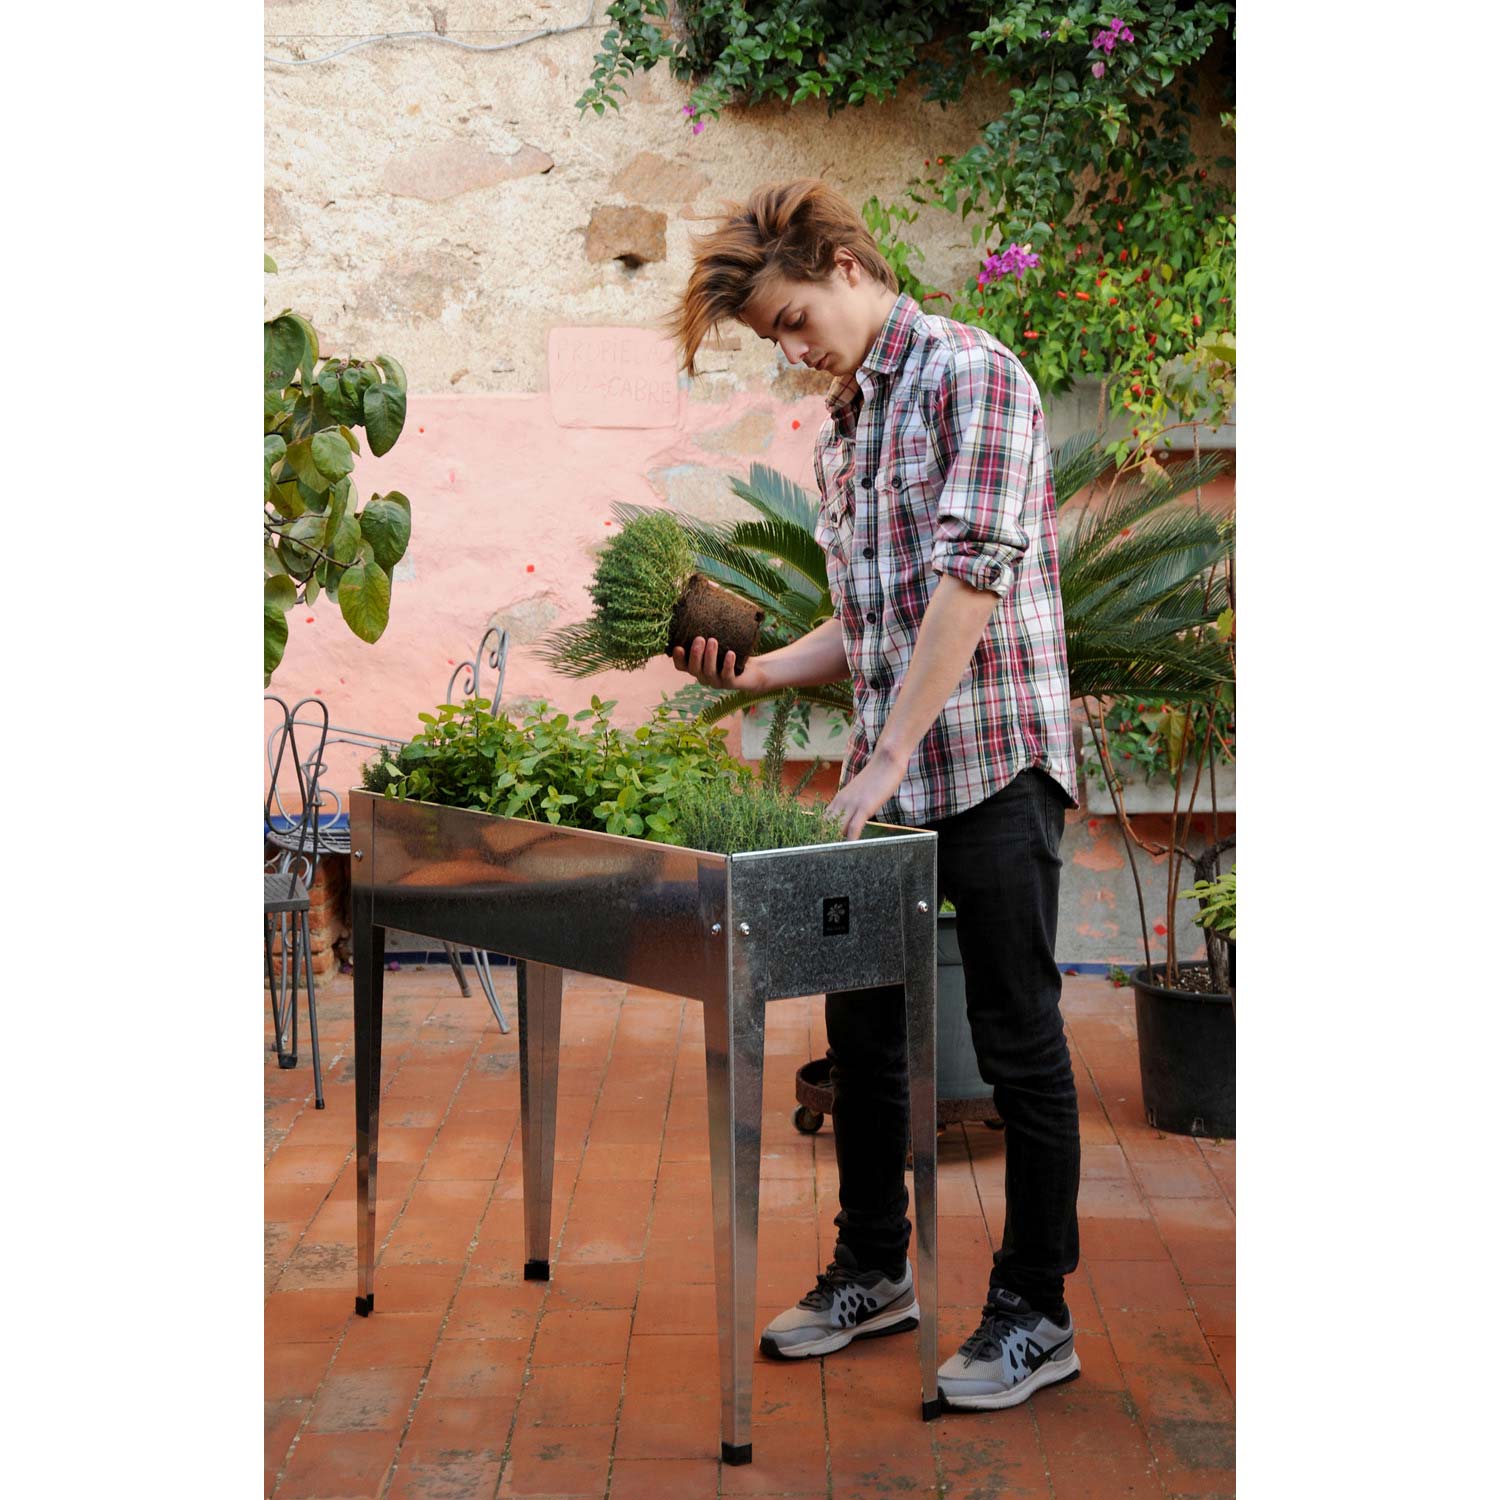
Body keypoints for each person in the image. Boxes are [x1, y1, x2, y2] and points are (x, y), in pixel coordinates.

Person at [664, 179, 1083, 1412]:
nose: (793, 352)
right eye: (773, 339)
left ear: (844, 263)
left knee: (1017, 1041)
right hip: (891, 776)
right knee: (860, 1039)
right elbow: (867, 624)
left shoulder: (973, 377)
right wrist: (753, 672)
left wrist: (889, 754)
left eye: (794, 321)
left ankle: (1036, 1310)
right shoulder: (844, 430)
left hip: (992, 764)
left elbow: (970, 582)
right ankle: (872, 1270)